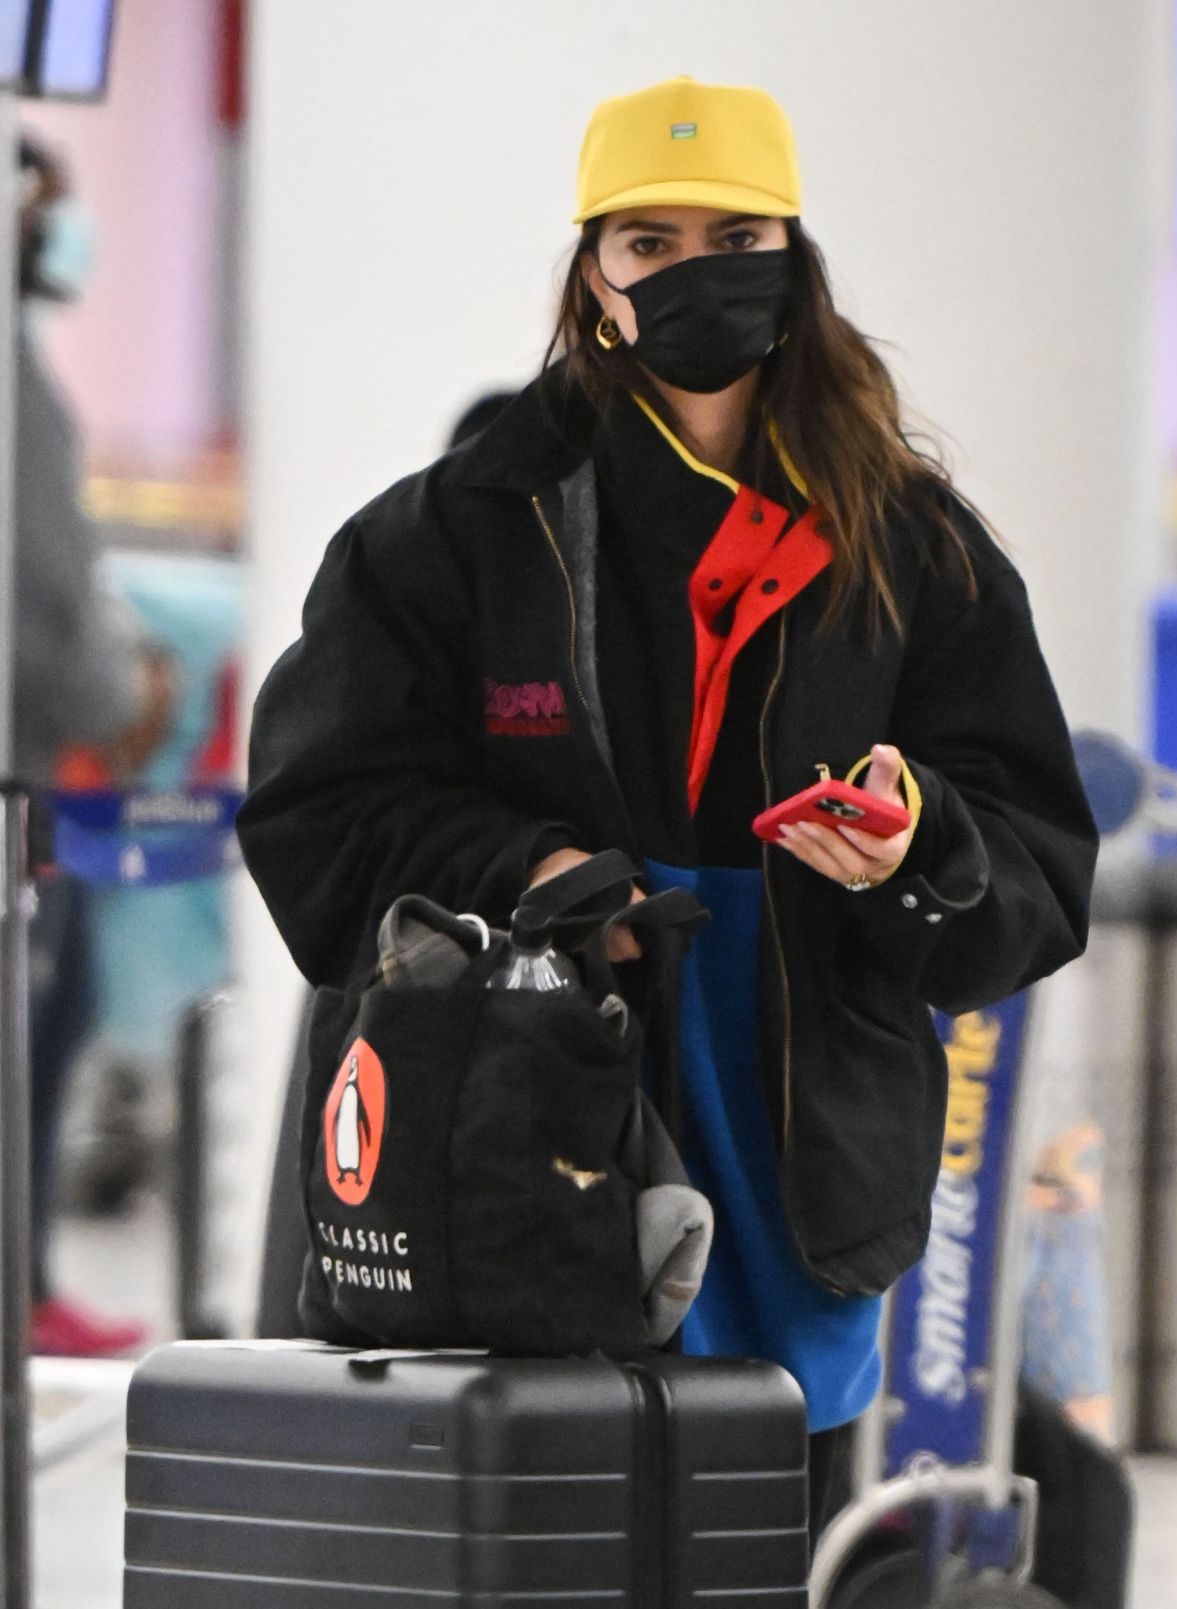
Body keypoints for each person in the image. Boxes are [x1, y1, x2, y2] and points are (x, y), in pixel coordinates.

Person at [237, 77, 1097, 1536]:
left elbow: (1033, 874)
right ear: (593, 272)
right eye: (649, 240)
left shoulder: (916, 553)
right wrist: (535, 867)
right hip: (513, 1124)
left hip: (794, 1141)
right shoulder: (452, 535)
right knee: (546, 1531)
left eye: (733, 233)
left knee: (759, 1526)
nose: (694, 270)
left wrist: (915, 847)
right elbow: (319, 805)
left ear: (796, 257)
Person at [15, 134, 175, 1356]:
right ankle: (19, 1292)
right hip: (27, 774)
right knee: (35, 1032)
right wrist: (120, 694)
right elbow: (51, 597)